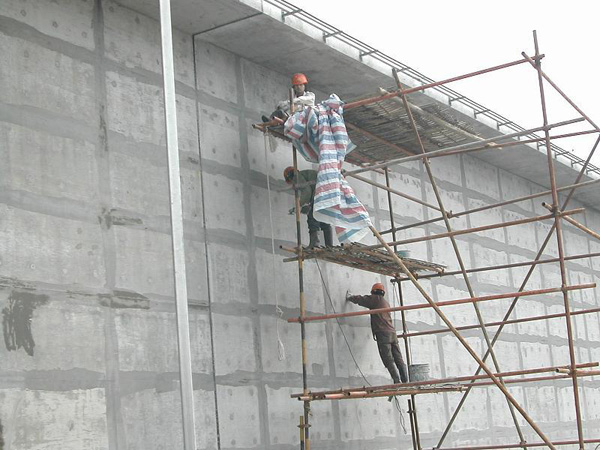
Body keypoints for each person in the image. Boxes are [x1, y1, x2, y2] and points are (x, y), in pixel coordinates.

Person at [346, 283, 408, 384]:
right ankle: (405, 380)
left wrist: (350, 297)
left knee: (387, 357)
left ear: (374, 292)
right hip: (392, 333)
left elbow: (362, 299)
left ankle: (397, 380)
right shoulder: (385, 302)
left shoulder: (376, 299)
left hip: (383, 333)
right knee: (398, 357)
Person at [284, 167, 333, 248]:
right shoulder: (305, 174)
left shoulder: (297, 176)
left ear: (289, 178)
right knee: (323, 218)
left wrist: (299, 205)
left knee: (312, 217)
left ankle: (314, 244)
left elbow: (307, 191)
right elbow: (310, 191)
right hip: (327, 192)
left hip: (320, 193)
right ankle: (329, 245)